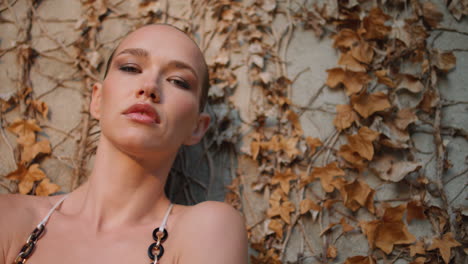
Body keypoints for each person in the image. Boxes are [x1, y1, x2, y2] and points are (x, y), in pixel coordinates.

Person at [0, 24, 248, 264]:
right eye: (130, 68)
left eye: (178, 81)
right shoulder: (9, 217)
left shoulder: (206, 230)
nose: (149, 87)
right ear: (97, 100)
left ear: (197, 127)